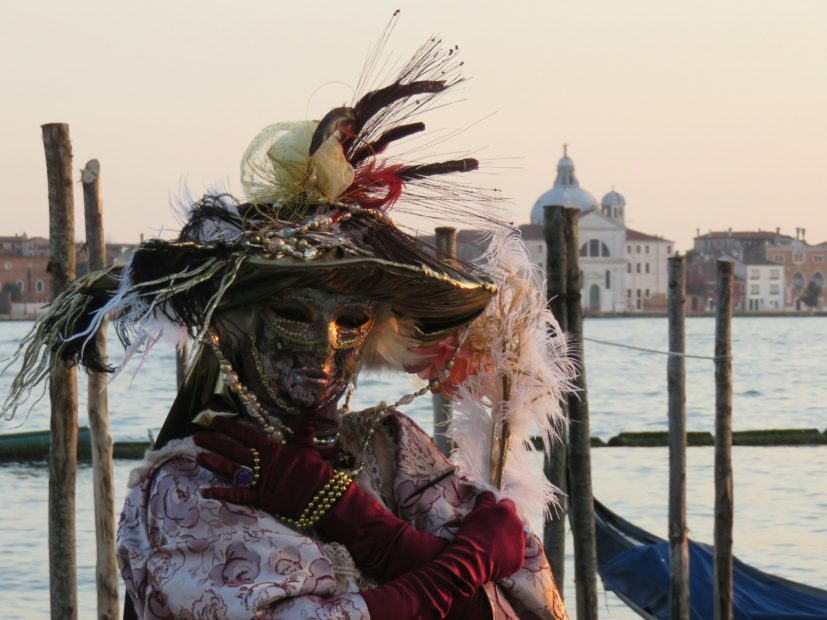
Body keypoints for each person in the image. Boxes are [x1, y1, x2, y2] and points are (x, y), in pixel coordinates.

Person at [7, 31, 570, 620]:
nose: (325, 349)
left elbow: (531, 604)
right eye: (295, 315)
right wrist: (457, 561)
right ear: (236, 326)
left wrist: (365, 523)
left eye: (351, 320)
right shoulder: (189, 482)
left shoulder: (391, 446)